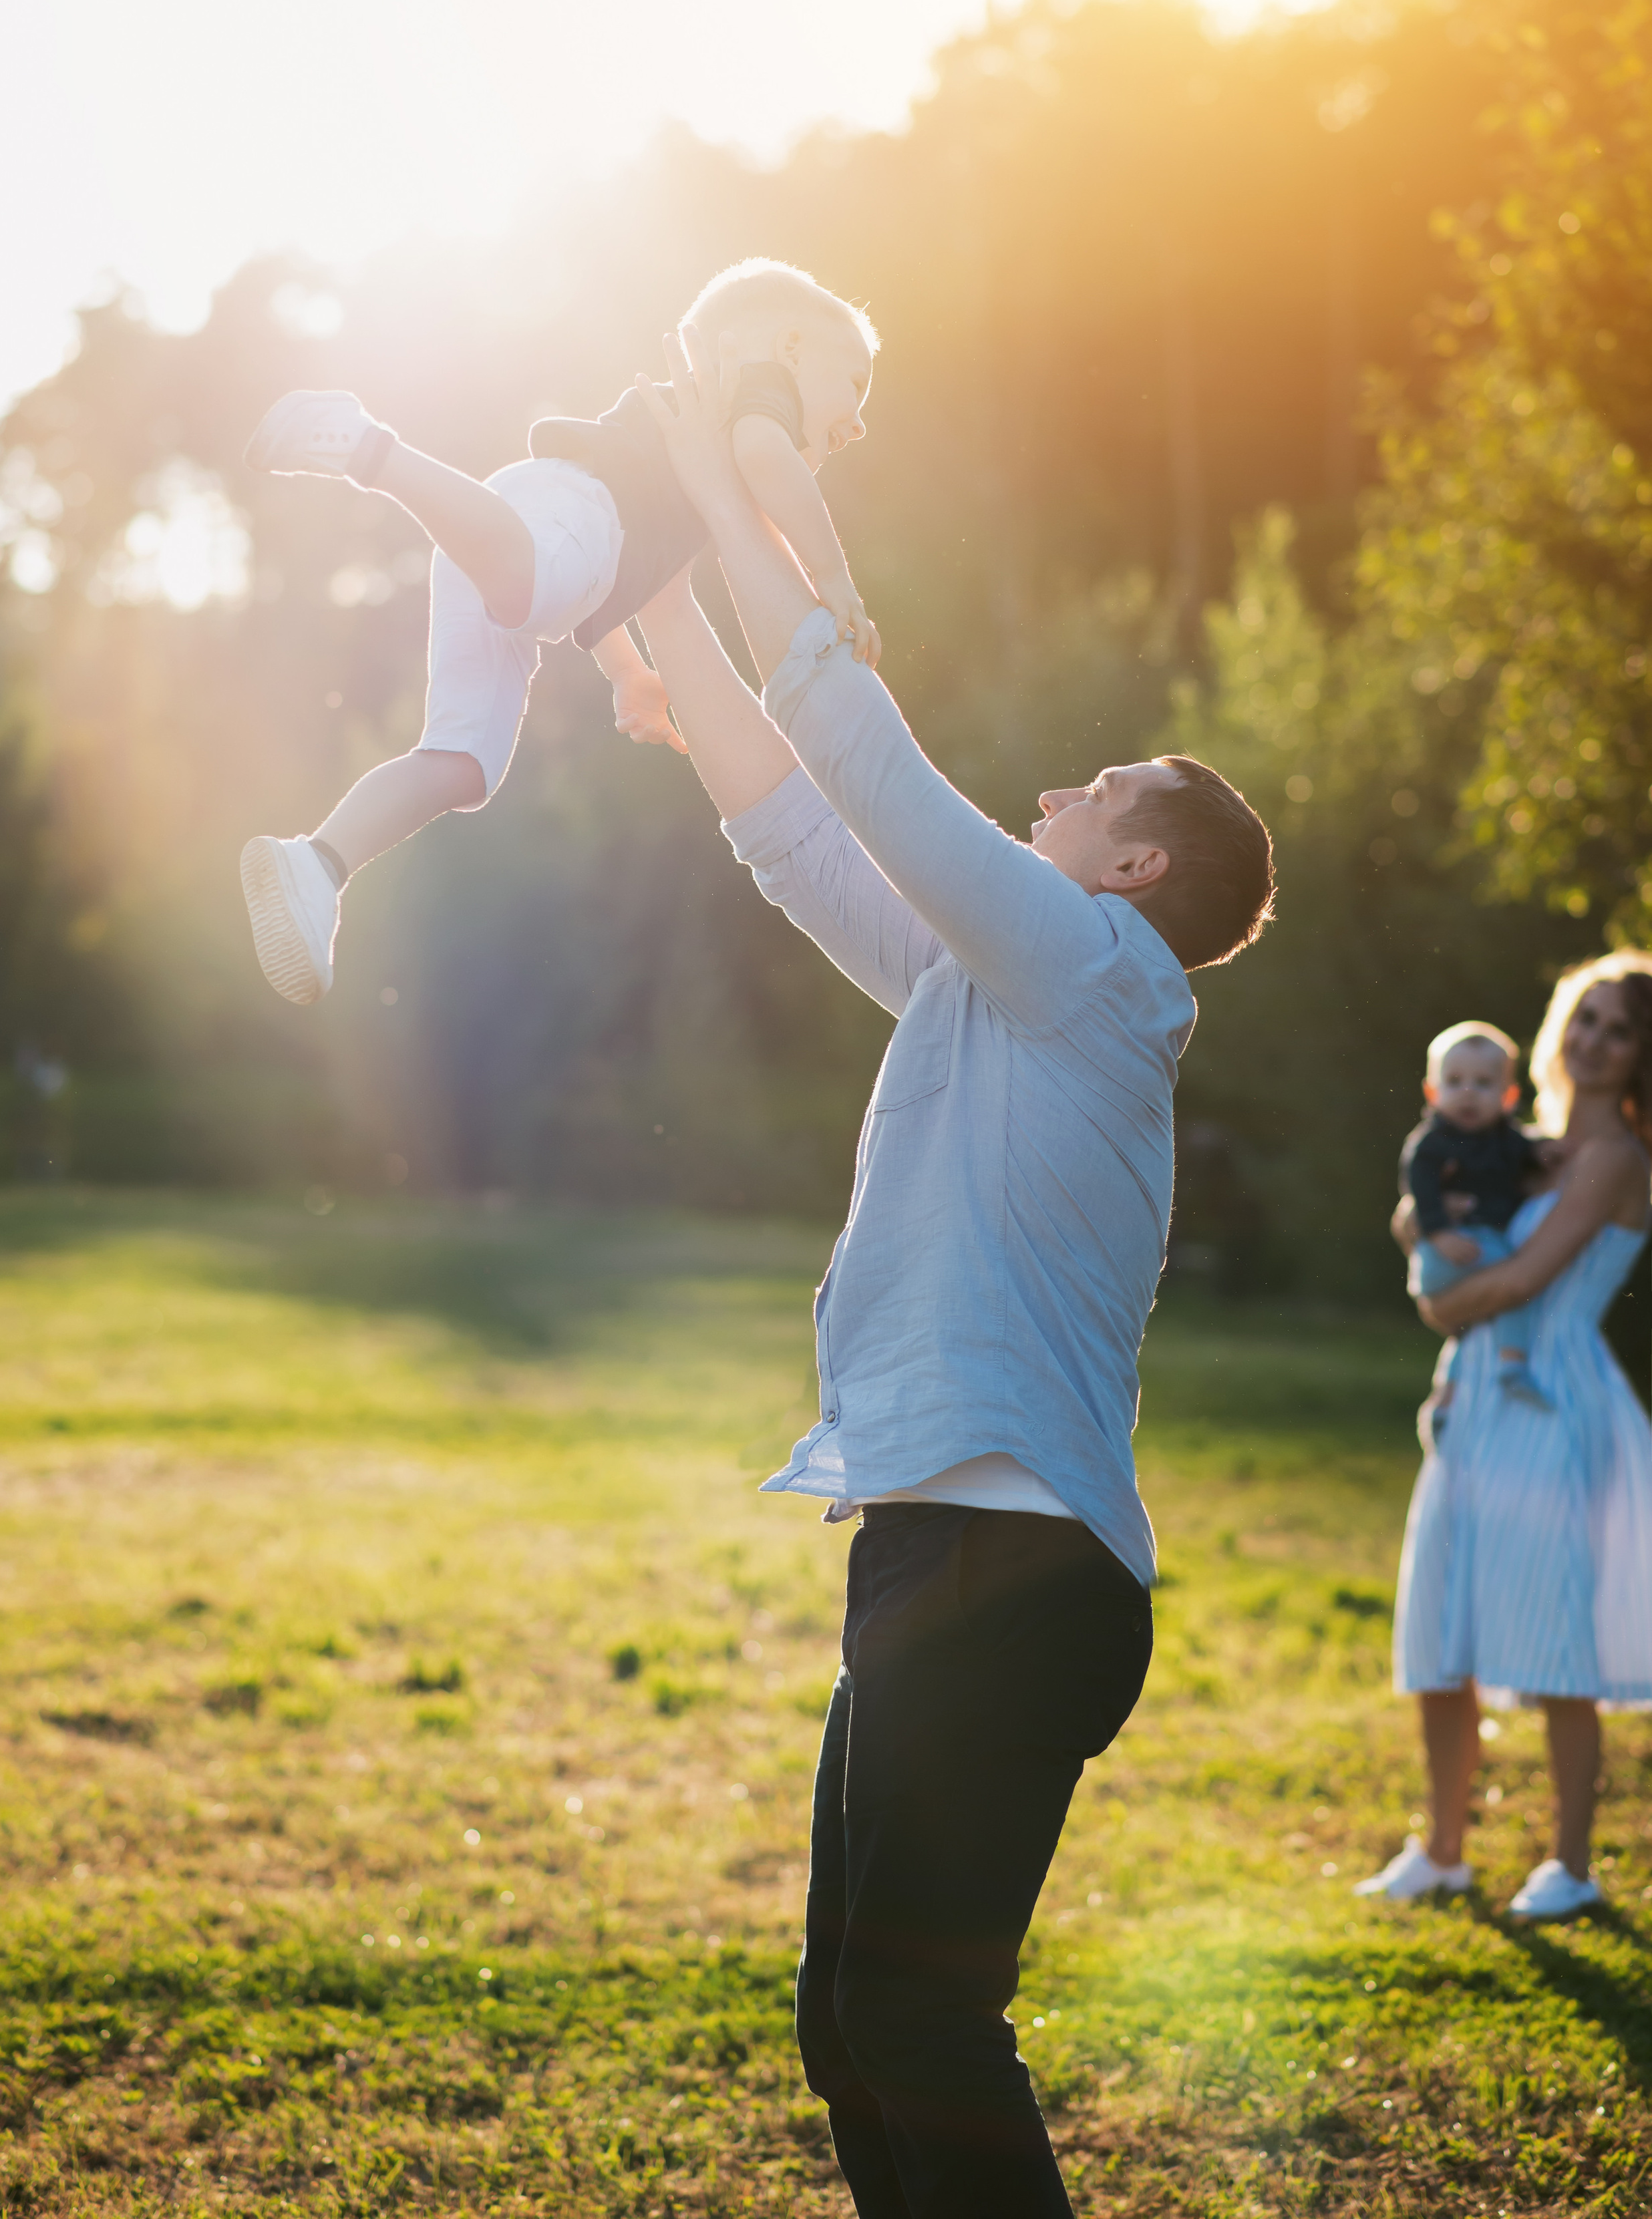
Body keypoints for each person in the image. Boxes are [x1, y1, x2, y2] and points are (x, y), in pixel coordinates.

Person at [630, 332, 1275, 2219]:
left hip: (1021, 1571)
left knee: (921, 2024)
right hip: (937, 1548)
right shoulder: (985, 983)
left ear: (1135, 860)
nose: (1055, 788)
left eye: (1094, 786)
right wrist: (658, 583)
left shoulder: (1094, 972)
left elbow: (856, 741)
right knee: (855, 2025)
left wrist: (713, 469)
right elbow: (797, 832)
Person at [234, 261, 879, 1003]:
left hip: (512, 536)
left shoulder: (696, 465)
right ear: (791, 348)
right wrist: (833, 581)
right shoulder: (750, 392)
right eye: (856, 385)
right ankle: (361, 445)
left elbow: (632, 579)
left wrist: (627, 673)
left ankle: (317, 864)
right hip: (553, 520)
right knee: (534, 592)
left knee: (467, 763)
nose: (859, 421)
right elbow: (765, 465)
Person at [1357, 953, 1652, 1920]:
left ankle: (1570, 1863)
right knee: (1441, 1624)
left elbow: (1524, 1279)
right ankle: (1443, 1850)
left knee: (1553, 1633)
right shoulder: (1521, 1143)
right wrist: (1424, 1238)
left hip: (1554, 1401)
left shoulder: (1616, 1158)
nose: (1597, 1040)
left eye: (1620, 1027)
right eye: (1587, 1018)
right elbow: (1415, 1210)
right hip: (1469, 1404)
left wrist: (1437, 1303)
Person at [1399, 1020, 1546, 1406]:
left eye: (1483, 1084)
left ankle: (1447, 1394)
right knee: (1514, 1284)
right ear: (1432, 1093)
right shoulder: (1432, 1143)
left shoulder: (1508, 1139)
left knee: (1472, 1329)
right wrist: (1439, 1232)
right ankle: (1512, 1362)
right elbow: (1421, 1188)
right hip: (1447, 1248)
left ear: (1509, 1097)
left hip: (1478, 1245)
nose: (1468, 1092)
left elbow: (1527, 1153)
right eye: (1454, 1081)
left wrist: (1543, 1152)